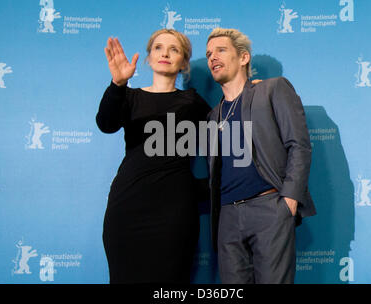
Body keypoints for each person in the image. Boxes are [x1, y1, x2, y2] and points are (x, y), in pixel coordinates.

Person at [96, 29, 211, 283]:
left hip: (174, 216)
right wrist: (117, 85)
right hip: (127, 209)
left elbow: (228, 143)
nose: (165, 54)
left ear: (184, 63)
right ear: (148, 58)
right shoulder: (130, 96)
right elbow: (106, 123)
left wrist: (195, 190)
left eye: (174, 49)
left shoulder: (192, 102)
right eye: (158, 47)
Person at [205, 28, 316, 284]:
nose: (212, 57)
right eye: (209, 53)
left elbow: (298, 145)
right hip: (227, 218)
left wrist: (288, 200)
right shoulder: (213, 116)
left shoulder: (272, 89)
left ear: (243, 58)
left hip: (269, 209)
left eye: (221, 50)